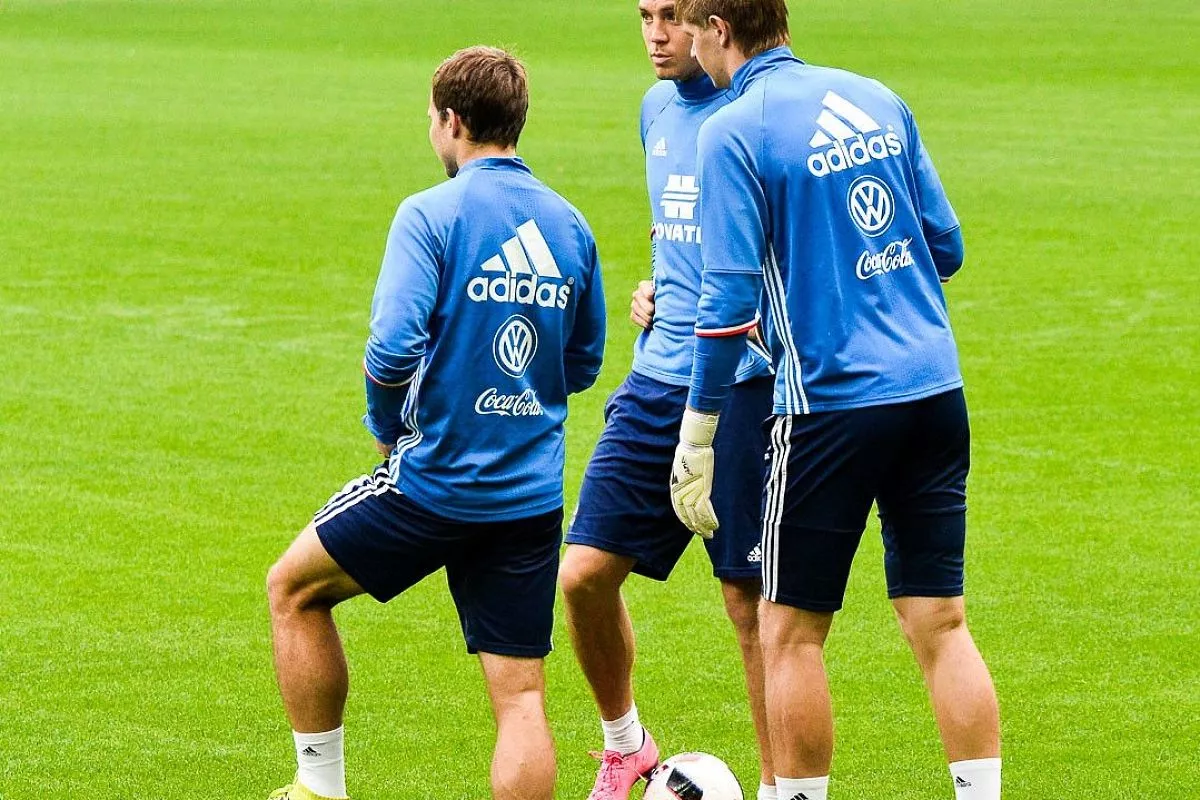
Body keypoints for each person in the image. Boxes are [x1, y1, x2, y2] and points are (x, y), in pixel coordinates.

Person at [668, 2, 1002, 799]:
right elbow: (945, 245)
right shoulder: (875, 96)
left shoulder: (732, 129)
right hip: (934, 389)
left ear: (718, 28)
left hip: (830, 404)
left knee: (789, 632)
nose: (684, 43)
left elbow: (726, 303)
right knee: (941, 622)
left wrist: (699, 432)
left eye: (687, 26)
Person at [265, 46, 606, 800]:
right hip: (528, 499)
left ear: (452, 120)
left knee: (293, 589)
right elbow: (583, 363)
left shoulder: (429, 214)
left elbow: (391, 348)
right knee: (521, 697)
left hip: (432, 485)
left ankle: (319, 787)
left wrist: (386, 426)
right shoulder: (570, 224)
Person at [559, 3, 776, 799]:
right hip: (656, 378)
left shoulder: (753, 114)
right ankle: (627, 746)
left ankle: (779, 783)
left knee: (748, 603)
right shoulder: (655, 108)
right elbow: (681, 230)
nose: (656, 34)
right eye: (645, 15)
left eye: (674, 17)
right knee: (582, 576)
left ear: (712, 23)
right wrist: (656, 287)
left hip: (744, 384)